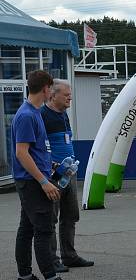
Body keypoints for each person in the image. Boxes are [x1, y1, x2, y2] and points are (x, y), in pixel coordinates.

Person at [12, 70, 78, 280]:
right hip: (32, 182)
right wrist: (43, 181)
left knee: (27, 229)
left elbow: (37, 150)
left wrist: (50, 167)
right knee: (43, 230)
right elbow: (22, 153)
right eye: (51, 88)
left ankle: (26, 277)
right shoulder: (27, 115)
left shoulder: (34, 113)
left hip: (36, 177)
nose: (51, 92)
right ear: (45, 89)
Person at [42, 79, 94, 270]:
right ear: (53, 95)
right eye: (66, 95)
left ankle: (69, 256)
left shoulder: (63, 115)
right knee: (51, 217)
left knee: (70, 215)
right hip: (53, 174)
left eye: (70, 95)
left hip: (69, 173)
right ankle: (51, 260)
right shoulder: (43, 116)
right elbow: (38, 149)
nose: (70, 98)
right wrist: (54, 166)